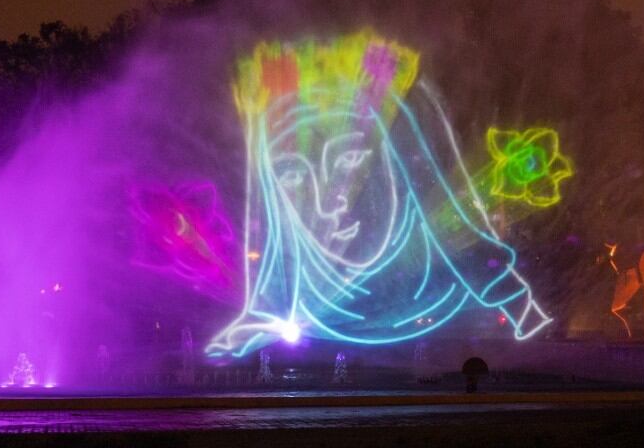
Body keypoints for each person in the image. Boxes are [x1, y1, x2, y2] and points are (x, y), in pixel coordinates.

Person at [206, 31, 550, 357]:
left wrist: (526, 314)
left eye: (349, 160)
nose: (329, 201)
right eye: (293, 173)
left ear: (392, 161)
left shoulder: (439, 255)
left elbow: (482, 266)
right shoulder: (295, 285)